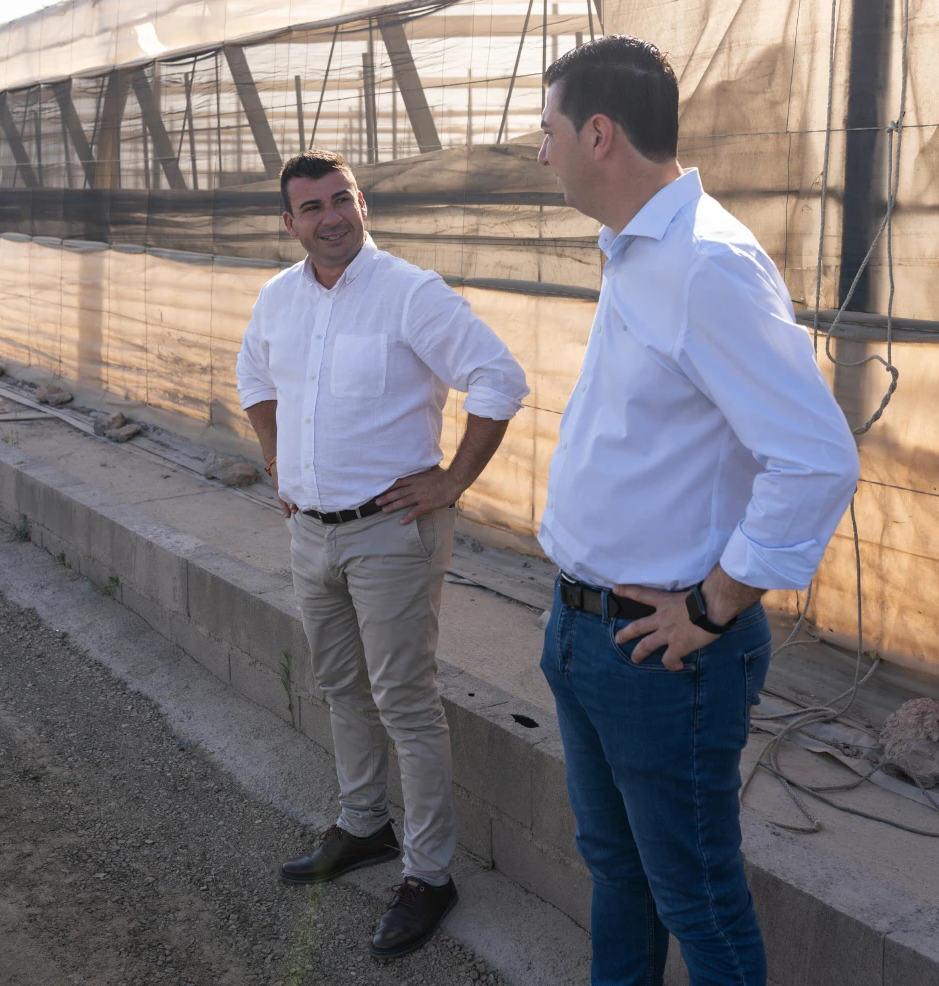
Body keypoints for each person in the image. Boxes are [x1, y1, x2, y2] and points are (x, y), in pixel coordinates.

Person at [535, 36, 859, 986]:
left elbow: (813, 459)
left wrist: (715, 606)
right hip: (590, 630)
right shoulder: (639, 250)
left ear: (598, 133)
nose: (540, 152)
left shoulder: (705, 263)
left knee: (697, 898)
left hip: (660, 650)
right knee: (619, 872)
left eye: (548, 132)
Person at [235, 150, 528, 957]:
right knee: (339, 683)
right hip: (310, 531)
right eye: (311, 207)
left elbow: (499, 379)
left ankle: (430, 874)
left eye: (342, 200)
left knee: (404, 698)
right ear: (288, 222)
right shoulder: (278, 298)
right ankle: (362, 823)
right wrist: (276, 458)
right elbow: (253, 375)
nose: (330, 217)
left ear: (361, 203)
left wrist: (451, 482)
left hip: (391, 533)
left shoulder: (410, 293)